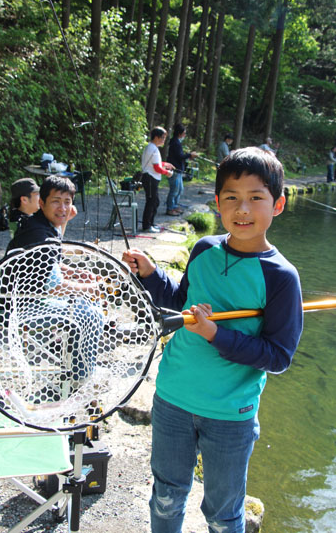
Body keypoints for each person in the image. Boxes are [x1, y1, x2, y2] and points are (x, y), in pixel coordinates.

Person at [123, 147, 303, 533]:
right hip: (172, 397)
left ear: (279, 204)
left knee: (223, 515)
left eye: (256, 198)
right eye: (232, 199)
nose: (243, 210)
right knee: (167, 497)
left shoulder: (281, 277)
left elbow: (278, 355)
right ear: (218, 203)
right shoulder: (204, 249)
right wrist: (153, 276)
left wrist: (216, 335)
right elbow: (180, 300)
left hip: (230, 415)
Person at [6, 175, 103, 385]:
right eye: (56, 201)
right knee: (91, 314)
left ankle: (78, 366)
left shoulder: (43, 225)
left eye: (67, 202)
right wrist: (87, 288)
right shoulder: (40, 235)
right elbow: (53, 285)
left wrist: (77, 274)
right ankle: (82, 377)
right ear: (41, 203)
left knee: (87, 306)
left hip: (29, 297)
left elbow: (51, 266)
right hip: (22, 306)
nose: (63, 208)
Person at [141, 127, 175, 232]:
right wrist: (167, 173)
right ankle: (147, 226)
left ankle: (151, 223)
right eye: (162, 138)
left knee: (155, 201)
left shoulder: (153, 147)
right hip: (150, 178)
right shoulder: (153, 148)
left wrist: (166, 164)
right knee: (151, 201)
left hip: (152, 177)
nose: (164, 140)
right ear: (156, 137)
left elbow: (157, 164)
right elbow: (156, 167)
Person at [166, 123, 198, 216]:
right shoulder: (175, 143)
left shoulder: (177, 142)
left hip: (178, 170)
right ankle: (170, 208)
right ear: (180, 134)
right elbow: (180, 156)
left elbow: (180, 156)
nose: (185, 135)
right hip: (174, 170)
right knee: (174, 190)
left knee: (180, 189)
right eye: (184, 133)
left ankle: (175, 206)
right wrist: (190, 155)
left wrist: (189, 156)